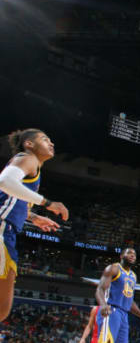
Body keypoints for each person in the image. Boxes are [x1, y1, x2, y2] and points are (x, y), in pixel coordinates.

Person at [0, 128, 69, 321]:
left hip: (8, 230)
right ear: (29, 144)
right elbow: (4, 182)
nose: (51, 143)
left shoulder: (32, 170)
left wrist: (32, 217)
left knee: (2, 308)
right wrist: (47, 203)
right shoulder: (27, 158)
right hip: (2, 228)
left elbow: (7, 198)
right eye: (45, 139)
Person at [94, 248, 140, 343]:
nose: (133, 255)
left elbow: (129, 300)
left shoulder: (133, 276)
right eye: (129, 253)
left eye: (134, 254)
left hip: (124, 315)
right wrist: (103, 304)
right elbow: (100, 289)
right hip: (111, 310)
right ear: (121, 256)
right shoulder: (113, 268)